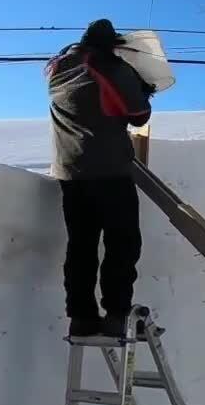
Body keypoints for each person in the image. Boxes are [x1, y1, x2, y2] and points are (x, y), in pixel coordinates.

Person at [46, 18, 155, 338]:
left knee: (81, 245)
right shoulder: (108, 66)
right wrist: (140, 86)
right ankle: (117, 312)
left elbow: (92, 99)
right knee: (123, 242)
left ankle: (81, 316)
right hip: (109, 171)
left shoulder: (58, 70)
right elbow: (138, 115)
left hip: (71, 173)